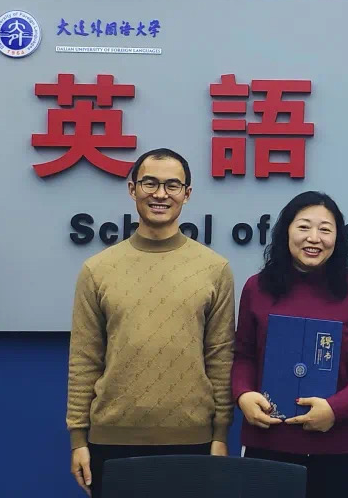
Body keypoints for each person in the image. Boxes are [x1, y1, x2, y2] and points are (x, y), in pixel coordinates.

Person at [66, 148, 235, 497]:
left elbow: (220, 358)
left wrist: (220, 435)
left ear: (187, 194)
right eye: (150, 183)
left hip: (193, 440)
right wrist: (78, 440)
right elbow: (84, 359)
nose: (160, 194)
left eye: (172, 185)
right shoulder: (97, 270)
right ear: (132, 189)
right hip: (112, 440)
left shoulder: (215, 269)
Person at [231, 191, 348, 498]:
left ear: (338, 238)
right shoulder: (257, 287)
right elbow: (244, 355)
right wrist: (244, 395)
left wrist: (334, 409)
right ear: (286, 231)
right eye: (303, 227)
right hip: (266, 441)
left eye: (325, 229)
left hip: (334, 446)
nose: (314, 238)